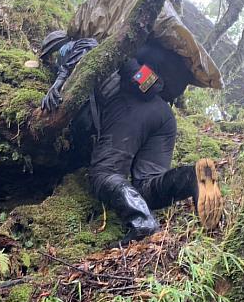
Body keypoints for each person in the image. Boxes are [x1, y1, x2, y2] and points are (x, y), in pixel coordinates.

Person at [40, 29, 223, 244]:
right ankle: (191, 177)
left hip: (128, 109)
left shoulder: (80, 46)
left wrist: (58, 82)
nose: (54, 59)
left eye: (52, 54)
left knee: (103, 173)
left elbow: (82, 54)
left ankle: (143, 224)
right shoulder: (118, 54)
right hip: (162, 115)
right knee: (146, 186)